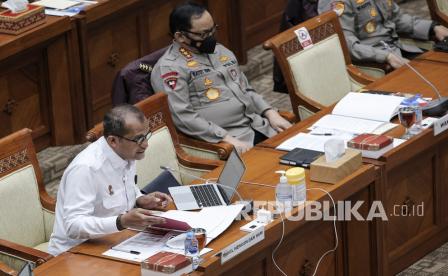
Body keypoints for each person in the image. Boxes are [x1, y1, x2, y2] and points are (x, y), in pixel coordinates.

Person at [150, 1, 292, 154]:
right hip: (230, 141)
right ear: (180, 36)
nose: (211, 37)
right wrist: (225, 138)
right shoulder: (171, 68)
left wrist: (270, 112)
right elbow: (182, 117)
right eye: (203, 34)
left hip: (260, 126)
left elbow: (246, 89)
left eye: (213, 30)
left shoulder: (221, 51)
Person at [48, 105, 172, 256]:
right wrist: (121, 221)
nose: (145, 144)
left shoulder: (126, 152)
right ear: (113, 140)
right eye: (139, 139)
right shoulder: (86, 169)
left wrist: (140, 199)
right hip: (75, 252)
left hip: (116, 241)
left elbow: (124, 187)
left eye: (146, 136)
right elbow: (73, 226)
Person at [318, 0, 448, 69]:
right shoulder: (335, 2)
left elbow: (397, 18)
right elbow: (347, 45)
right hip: (374, 63)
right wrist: (385, 56)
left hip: (398, 49)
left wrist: (433, 28)